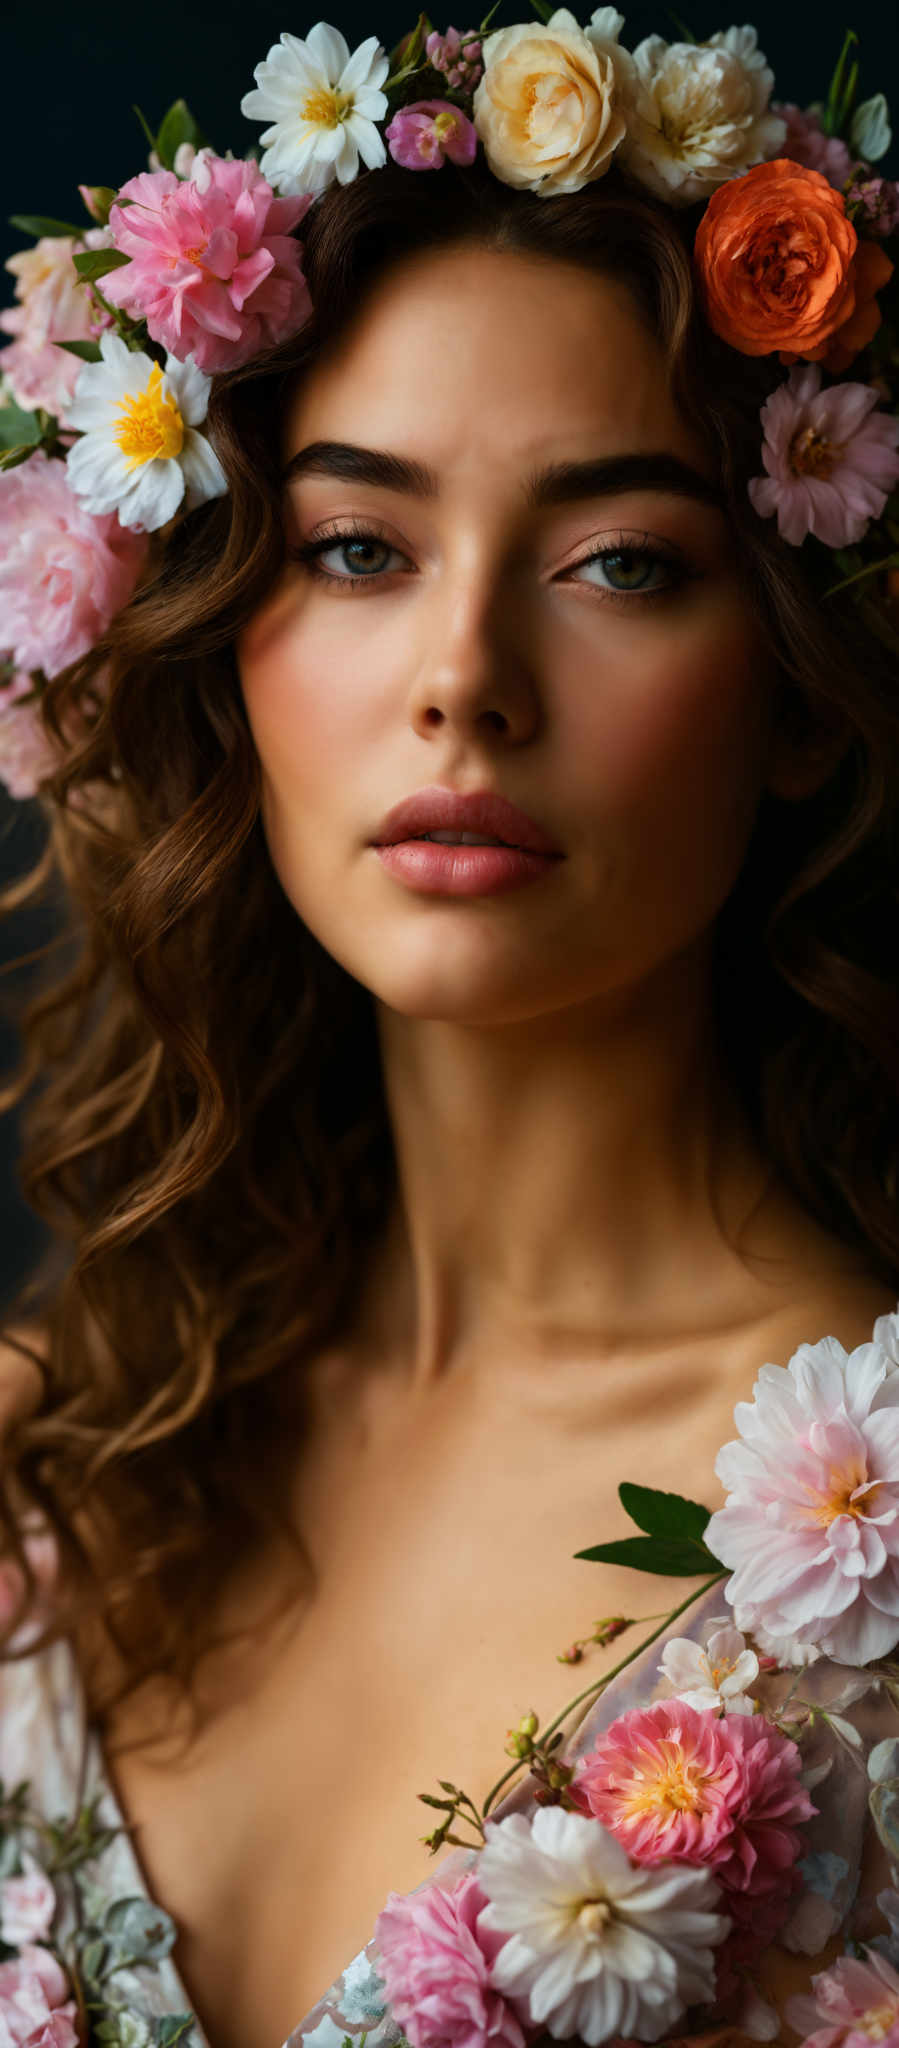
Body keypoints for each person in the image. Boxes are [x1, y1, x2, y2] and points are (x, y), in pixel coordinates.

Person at [1, 15, 899, 2048]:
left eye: (619, 563)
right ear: (224, 635)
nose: (465, 678)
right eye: (354, 547)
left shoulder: (882, 1547)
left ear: (789, 677)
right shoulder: (78, 1452)